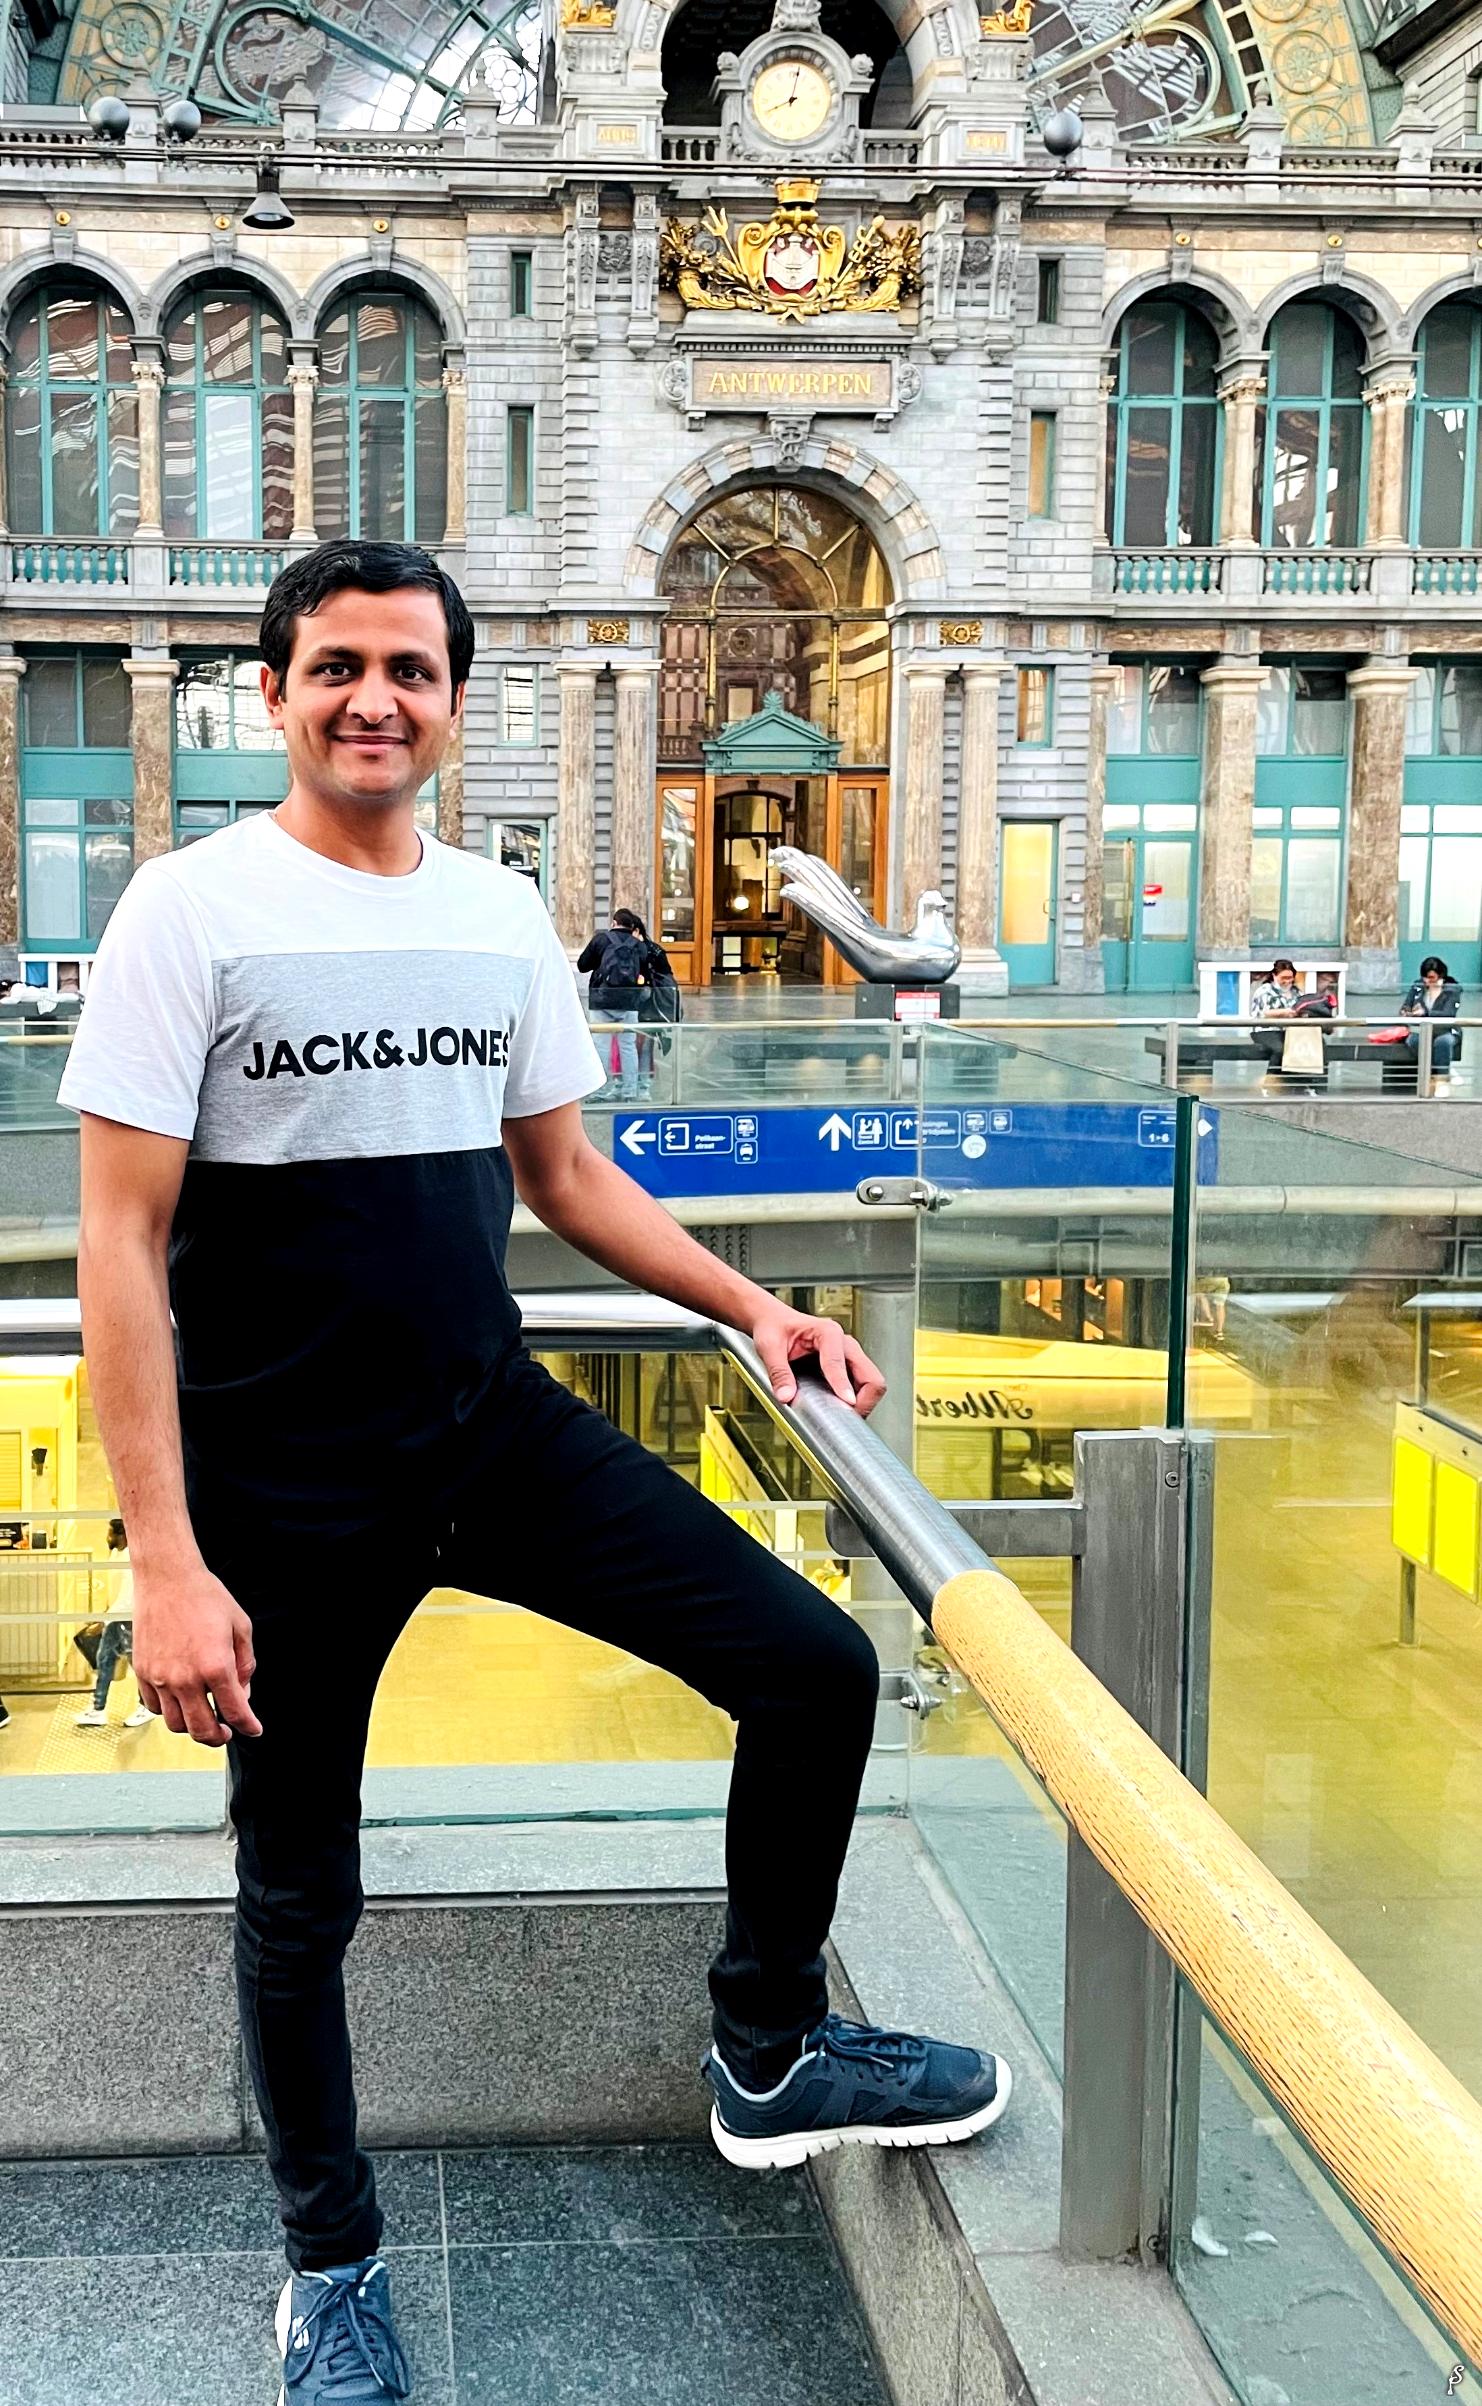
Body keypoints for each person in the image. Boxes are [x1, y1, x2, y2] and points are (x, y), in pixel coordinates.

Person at [58, 539, 1010, 2405]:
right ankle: (331, 2265)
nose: (374, 700)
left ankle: (767, 2046)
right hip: (284, 1490)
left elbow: (565, 1175)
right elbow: (117, 1246)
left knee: (812, 1668)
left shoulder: (499, 911)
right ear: (277, 692)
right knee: (297, 1899)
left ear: (450, 702)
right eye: (338, 667)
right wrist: (164, 1557)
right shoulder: (190, 909)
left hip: (493, 1433)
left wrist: (755, 1308)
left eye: (409, 670)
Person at [76, 1516, 153, 1729]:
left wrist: (104, 1621)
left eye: (110, 1533)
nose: (106, 1537)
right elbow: (116, 1591)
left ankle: (146, 1706)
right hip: (116, 1617)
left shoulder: (129, 1558)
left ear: (122, 1535)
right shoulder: (116, 1553)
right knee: (105, 1660)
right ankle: (98, 1709)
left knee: (137, 1664)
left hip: (128, 1619)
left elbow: (128, 1597)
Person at [578, 907, 647, 1101]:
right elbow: (644, 970)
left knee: (601, 1046)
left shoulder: (601, 940)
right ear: (632, 926)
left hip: (602, 1000)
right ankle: (630, 1091)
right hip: (629, 1002)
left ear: (614, 923)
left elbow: (582, 965)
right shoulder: (638, 945)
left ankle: (600, 1092)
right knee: (628, 1047)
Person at [1400, 954, 1462, 1084]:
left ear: (1440, 975)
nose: (1427, 981)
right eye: (1425, 977)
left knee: (1443, 1042)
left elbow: (1448, 1013)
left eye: (1431, 978)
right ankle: (1435, 1071)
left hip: (1445, 1030)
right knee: (1413, 1040)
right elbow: (1407, 1004)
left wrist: (1425, 1013)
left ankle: (1441, 1077)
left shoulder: (1452, 990)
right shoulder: (1418, 987)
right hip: (1421, 1030)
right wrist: (1407, 1012)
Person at [1249, 958, 1300, 1068]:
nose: (1287, 981)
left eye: (1290, 978)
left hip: (1290, 1030)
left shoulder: (1296, 992)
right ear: (1274, 976)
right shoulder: (1265, 990)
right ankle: (1271, 1077)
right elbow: (1264, 1012)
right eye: (1283, 978)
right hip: (1265, 1031)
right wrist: (1285, 1012)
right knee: (1280, 1050)